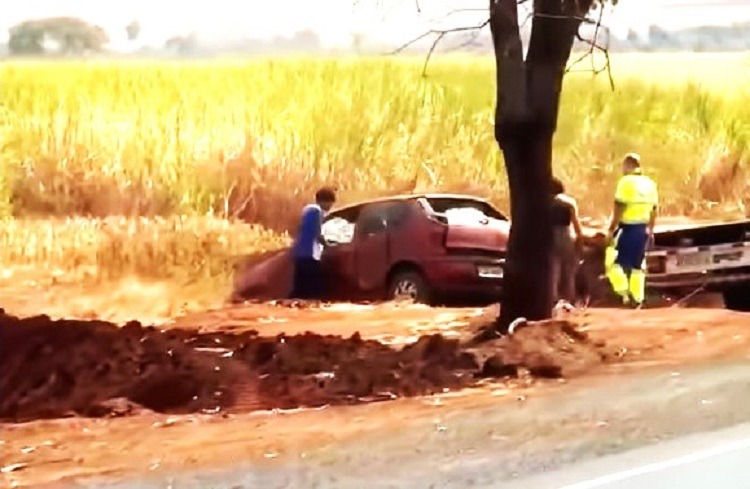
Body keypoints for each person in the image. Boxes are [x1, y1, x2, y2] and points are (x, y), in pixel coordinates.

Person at [606, 153, 658, 307]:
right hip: (642, 229)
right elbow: (654, 209)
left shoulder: (625, 182)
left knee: (612, 263)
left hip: (627, 228)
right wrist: (651, 230)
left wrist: (611, 229)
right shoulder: (650, 183)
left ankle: (623, 293)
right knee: (637, 265)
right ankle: (638, 298)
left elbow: (619, 207)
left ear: (627, 165)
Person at [290, 187, 337, 300]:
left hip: (299, 254)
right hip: (309, 255)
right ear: (326, 201)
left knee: (300, 288)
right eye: (331, 204)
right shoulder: (317, 211)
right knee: (314, 289)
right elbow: (316, 233)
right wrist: (327, 244)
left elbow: (301, 230)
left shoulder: (307, 210)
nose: (330, 207)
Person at [550, 176, 584, 305]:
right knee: (569, 270)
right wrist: (579, 240)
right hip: (566, 234)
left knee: (553, 268)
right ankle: (569, 299)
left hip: (549, 234)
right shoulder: (569, 203)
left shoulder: (544, 202)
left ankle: (553, 299)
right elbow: (576, 225)